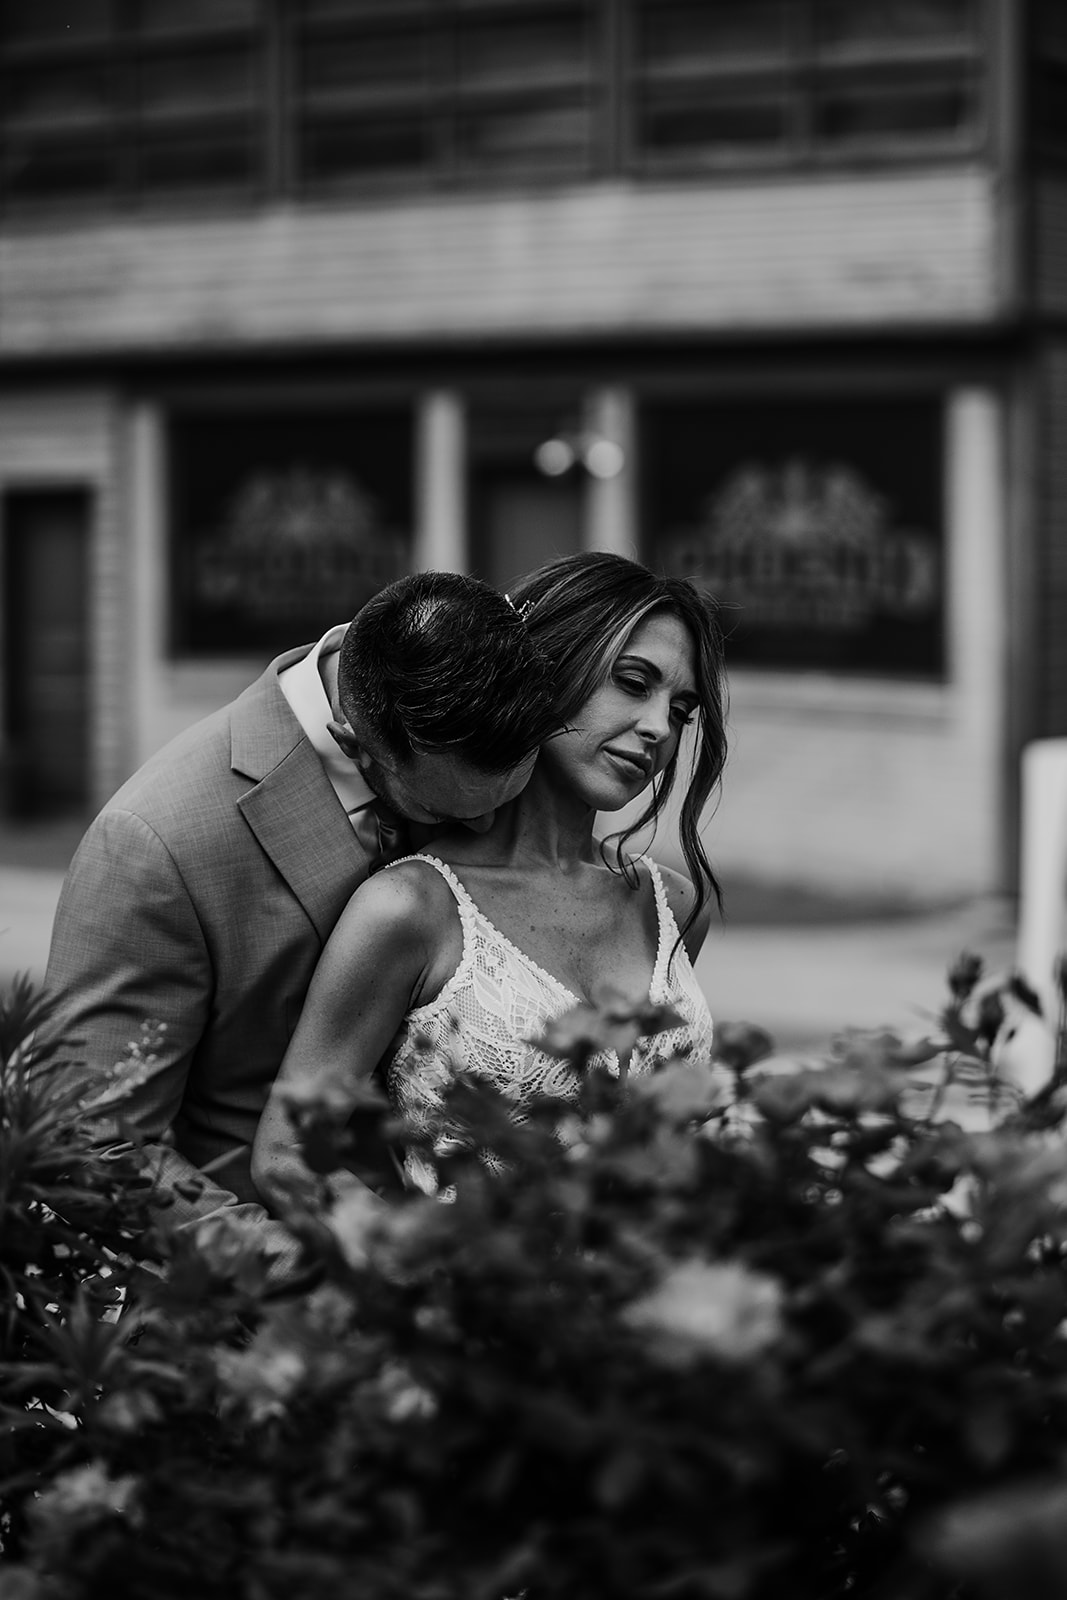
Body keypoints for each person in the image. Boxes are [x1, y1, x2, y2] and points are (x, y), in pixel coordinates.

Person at [44, 572, 558, 1241]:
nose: (489, 830)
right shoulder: (156, 843)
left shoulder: (472, 727)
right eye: (439, 812)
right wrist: (300, 1277)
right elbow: (96, 1149)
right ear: (353, 740)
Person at [253, 552, 729, 1210]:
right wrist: (413, 1265)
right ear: (547, 670)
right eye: (632, 681)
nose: (656, 728)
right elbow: (288, 1155)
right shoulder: (410, 910)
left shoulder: (673, 905)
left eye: (680, 711)